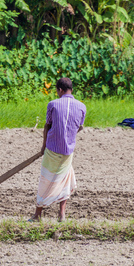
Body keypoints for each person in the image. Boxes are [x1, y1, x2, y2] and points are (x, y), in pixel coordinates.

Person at [29, 77, 86, 222]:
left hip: (52, 150)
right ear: (71, 90)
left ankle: (37, 215)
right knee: (64, 180)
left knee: (46, 180)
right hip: (68, 152)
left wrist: (43, 146)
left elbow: (47, 126)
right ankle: (61, 214)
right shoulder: (81, 106)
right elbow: (79, 127)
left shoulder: (53, 104)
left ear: (60, 90)